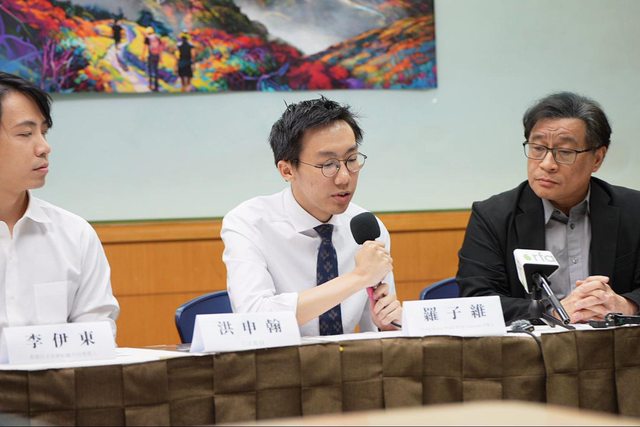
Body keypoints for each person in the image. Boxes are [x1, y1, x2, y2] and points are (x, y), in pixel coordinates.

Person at [221, 96, 402, 336]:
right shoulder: (249, 223)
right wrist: (357, 278)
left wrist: (388, 324)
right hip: (277, 358)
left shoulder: (367, 228)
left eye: (351, 160)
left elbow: (377, 332)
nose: (344, 178)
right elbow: (255, 317)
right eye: (328, 164)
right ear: (287, 170)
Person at [457, 91, 640, 324]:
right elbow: (476, 300)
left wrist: (628, 305)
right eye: (538, 148)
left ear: (597, 159)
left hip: (615, 343)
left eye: (565, 152)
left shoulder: (634, 211)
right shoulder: (492, 217)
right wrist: (553, 312)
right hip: (532, 345)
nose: (546, 164)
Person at [0, 72, 119, 334]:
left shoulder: (74, 234)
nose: (44, 147)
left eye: (43, 132)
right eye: (25, 133)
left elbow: (97, 334)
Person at [142, 27, 163, 91]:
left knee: (150, 70)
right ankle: (156, 86)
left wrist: (142, 55)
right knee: (156, 71)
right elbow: (160, 48)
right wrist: (161, 58)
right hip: (157, 55)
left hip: (150, 55)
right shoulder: (157, 37)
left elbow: (145, 48)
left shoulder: (147, 38)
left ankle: (150, 85)